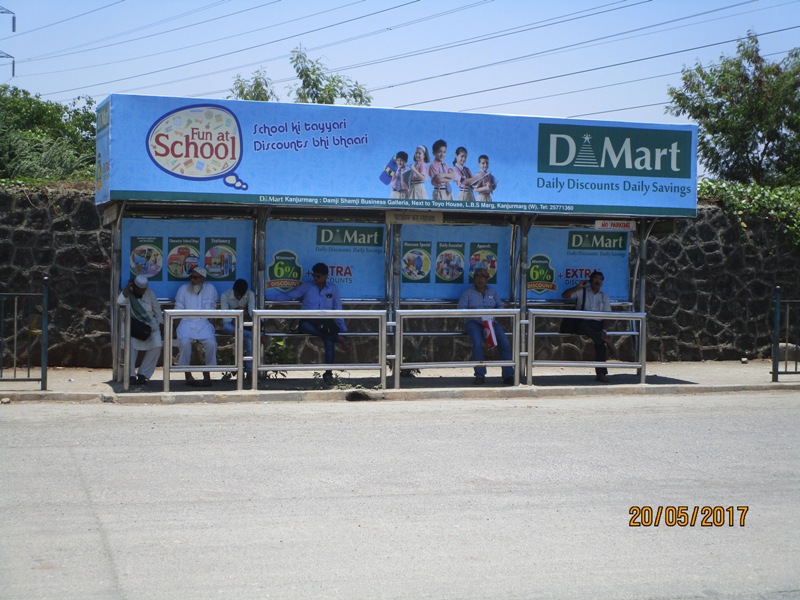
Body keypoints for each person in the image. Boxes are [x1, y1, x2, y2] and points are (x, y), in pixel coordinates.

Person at [269, 262, 349, 387]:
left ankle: (328, 374)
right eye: (314, 276)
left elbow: (338, 310)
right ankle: (337, 338)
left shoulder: (333, 289)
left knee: (329, 341)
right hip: (308, 322)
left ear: (325, 276)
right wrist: (265, 297)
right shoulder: (307, 287)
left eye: (318, 276)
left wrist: (343, 329)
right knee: (315, 330)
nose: (315, 279)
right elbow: (288, 296)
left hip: (325, 323)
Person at [457, 267, 514, 386]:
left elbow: (500, 307)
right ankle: (480, 375)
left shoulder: (492, 291)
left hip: (491, 322)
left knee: (504, 342)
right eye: (477, 276)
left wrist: (493, 314)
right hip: (473, 322)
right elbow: (460, 310)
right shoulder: (468, 293)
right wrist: (476, 314)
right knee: (477, 343)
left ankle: (508, 374)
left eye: (482, 276)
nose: (479, 279)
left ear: (487, 279)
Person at [561, 270, 613, 382]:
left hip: (597, 325)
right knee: (588, 329)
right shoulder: (582, 291)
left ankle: (600, 374)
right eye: (595, 278)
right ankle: (601, 340)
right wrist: (577, 287)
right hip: (582, 323)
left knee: (600, 345)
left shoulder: (604, 296)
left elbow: (607, 316)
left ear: (602, 281)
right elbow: (565, 295)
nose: (598, 281)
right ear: (590, 280)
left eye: (600, 279)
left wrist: (604, 329)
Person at [174, 267, 219, 387]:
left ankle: (207, 374)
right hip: (186, 322)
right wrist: (173, 328)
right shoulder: (183, 289)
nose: (192, 280)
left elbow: (213, 309)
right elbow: (178, 308)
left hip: (203, 323)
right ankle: (187, 375)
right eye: (191, 277)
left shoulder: (211, 289)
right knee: (184, 342)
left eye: (195, 277)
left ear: (202, 278)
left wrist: (213, 327)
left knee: (211, 343)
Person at [117, 275, 163, 386]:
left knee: (157, 345)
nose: (142, 292)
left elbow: (156, 309)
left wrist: (161, 325)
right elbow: (119, 301)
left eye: (143, 289)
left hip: (150, 326)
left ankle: (143, 374)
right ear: (135, 286)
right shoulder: (129, 293)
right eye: (139, 289)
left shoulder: (150, 293)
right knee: (131, 346)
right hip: (135, 327)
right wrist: (128, 286)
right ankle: (131, 375)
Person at [220, 278, 256, 380]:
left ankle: (249, 372)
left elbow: (252, 314)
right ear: (233, 290)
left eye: (242, 294)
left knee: (249, 338)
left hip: (246, 324)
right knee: (250, 336)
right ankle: (250, 371)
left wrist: (245, 313)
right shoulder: (225, 295)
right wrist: (236, 312)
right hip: (231, 324)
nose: (239, 297)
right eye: (237, 294)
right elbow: (225, 319)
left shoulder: (250, 295)